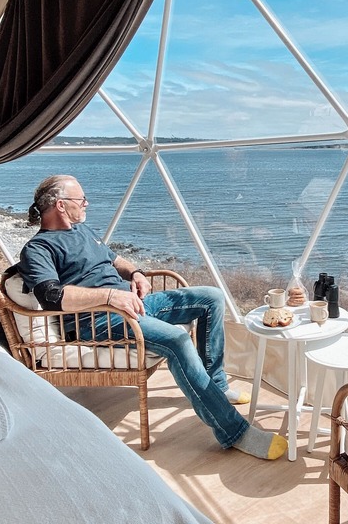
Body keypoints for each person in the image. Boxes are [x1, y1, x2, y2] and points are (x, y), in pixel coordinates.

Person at [17, 174, 286, 460]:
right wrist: (109, 297)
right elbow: (51, 296)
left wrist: (136, 274)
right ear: (60, 205)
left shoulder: (81, 231)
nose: (87, 203)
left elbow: (114, 260)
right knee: (178, 340)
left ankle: (217, 387)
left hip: (133, 304)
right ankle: (233, 431)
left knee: (212, 297)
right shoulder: (38, 249)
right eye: (81, 199)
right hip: (98, 320)